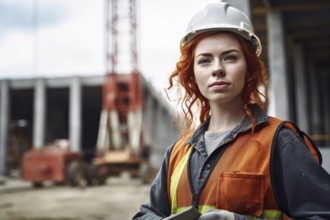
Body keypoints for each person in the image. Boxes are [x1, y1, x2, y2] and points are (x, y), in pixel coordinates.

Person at [133, 2, 330, 220]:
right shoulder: (178, 153)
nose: (217, 68)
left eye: (230, 57)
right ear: (193, 74)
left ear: (248, 69)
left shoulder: (279, 142)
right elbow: (146, 214)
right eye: (205, 61)